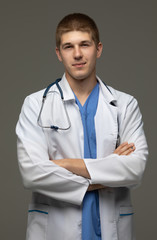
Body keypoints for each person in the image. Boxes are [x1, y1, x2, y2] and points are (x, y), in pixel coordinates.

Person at [16, 13, 148, 240]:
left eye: (84, 45)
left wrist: (65, 164)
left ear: (98, 49)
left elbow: (134, 169)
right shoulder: (36, 104)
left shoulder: (125, 105)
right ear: (59, 53)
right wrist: (108, 171)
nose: (77, 54)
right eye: (68, 47)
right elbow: (32, 174)